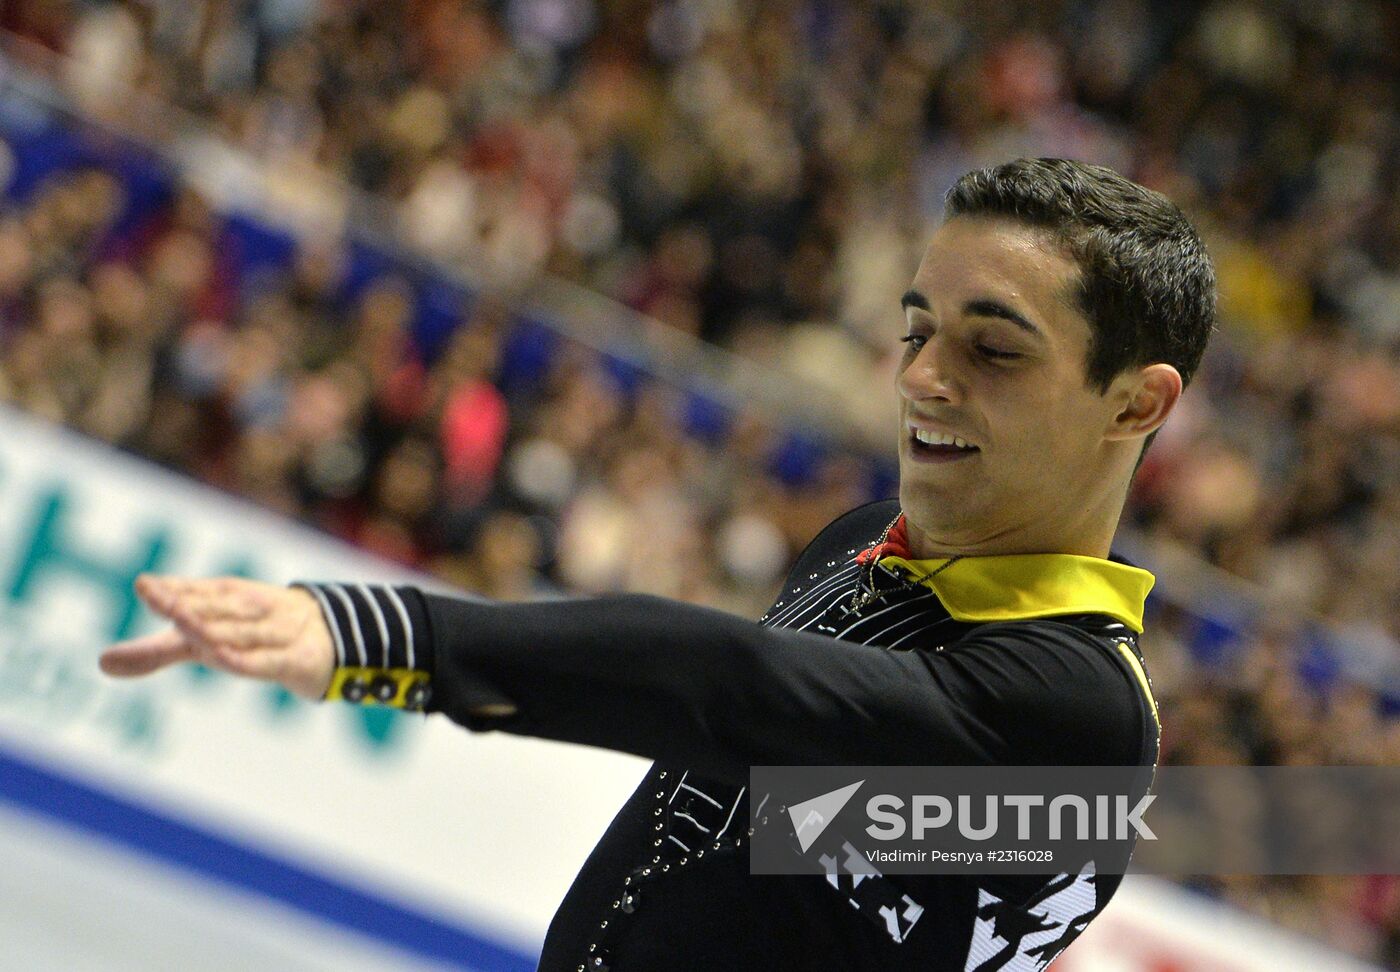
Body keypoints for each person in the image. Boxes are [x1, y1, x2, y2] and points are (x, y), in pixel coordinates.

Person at [100, 158, 1216, 971]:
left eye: (993, 348)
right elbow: (743, 842)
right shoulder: (865, 545)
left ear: (1134, 401)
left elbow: (731, 691)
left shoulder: (1076, 722)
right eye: (917, 328)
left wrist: (393, 640)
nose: (923, 378)